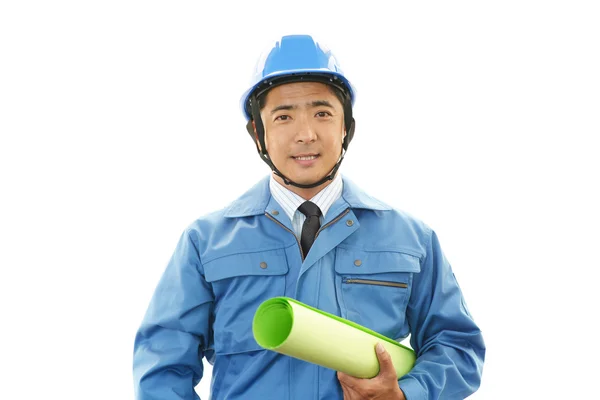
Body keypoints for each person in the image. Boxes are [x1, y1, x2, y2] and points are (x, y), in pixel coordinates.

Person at [133, 34, 485, 399]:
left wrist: (407, 394)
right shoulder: (205, 242)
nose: (305, 134)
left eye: (322, 113)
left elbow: (458, 346)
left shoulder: (411, 239)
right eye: (283, 117)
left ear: (346, 126)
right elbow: (162, 366)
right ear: (258, 133)